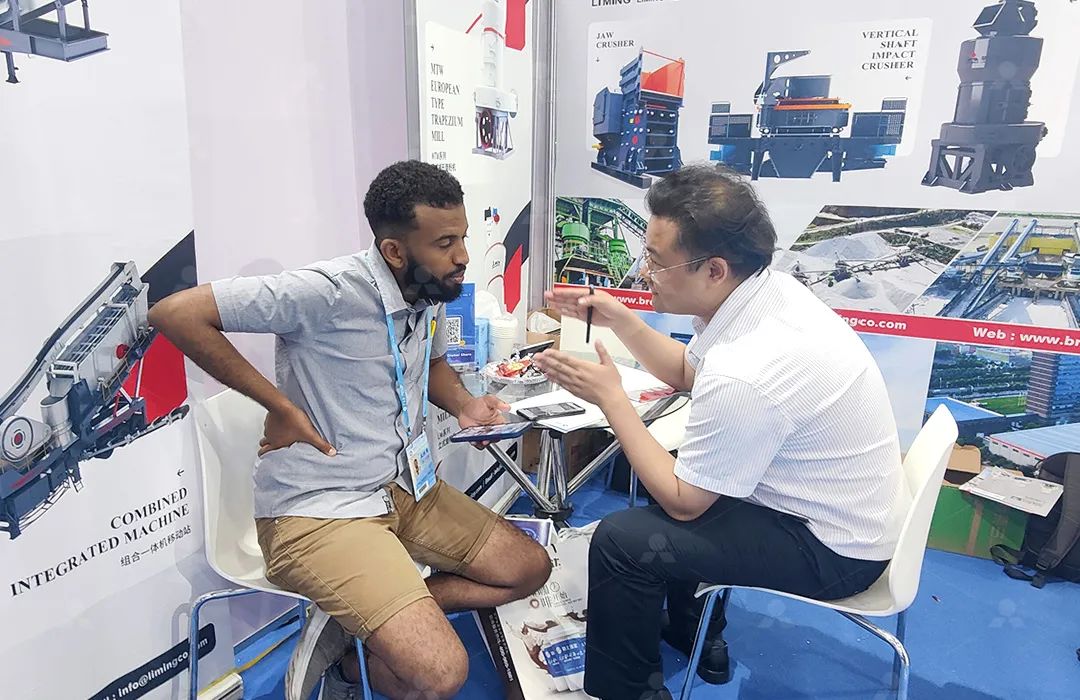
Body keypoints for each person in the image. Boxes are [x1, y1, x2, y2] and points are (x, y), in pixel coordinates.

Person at [150, 160, 552, 700]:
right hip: (318, 510)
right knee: (439, 674)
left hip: (405, 489)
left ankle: (352, 625)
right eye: (445, 243)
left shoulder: (429, 290)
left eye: (462, 237)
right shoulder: (328, 291)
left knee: (529, 568)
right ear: (394, 251)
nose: (462, 255)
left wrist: (464, 404)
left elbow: (432, 365)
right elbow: (175, 313)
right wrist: (277, 404)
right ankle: (348, 671)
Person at [534, 164, 910, 700]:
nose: (644, 272)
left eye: (656, 261)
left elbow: (686, 502)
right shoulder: (763, 293)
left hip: (833, 551)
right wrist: (622, 320)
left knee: (622, 541)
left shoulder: (747, 367)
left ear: (714, 269)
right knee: (682, 477)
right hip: (840, 513)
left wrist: (612, 399)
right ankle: (697, 635)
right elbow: (690, 372)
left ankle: (632, 692)